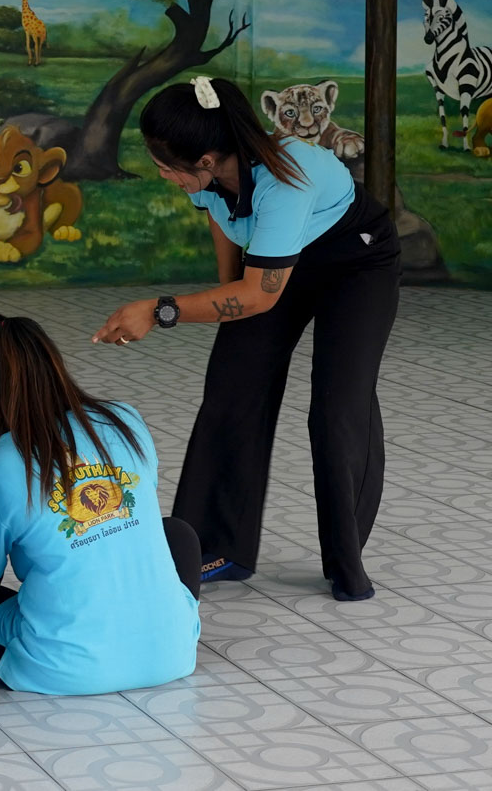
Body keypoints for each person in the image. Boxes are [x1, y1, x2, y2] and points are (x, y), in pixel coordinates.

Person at [93, 76, 401, 601]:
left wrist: (160, 310)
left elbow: (258, 296)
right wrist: (222, 307)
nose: (161, 173)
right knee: (233, 385)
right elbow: (232, 250)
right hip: (272, 263)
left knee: (336, 406)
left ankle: (345, 564)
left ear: (209, 159)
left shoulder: (289, 178)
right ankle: (215, 547)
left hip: (356, 262)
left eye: (167, 166)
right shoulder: (208, 178)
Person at [0, 314, 201, 694]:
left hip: (60, 668)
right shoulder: (125, 420)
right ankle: (148, 637)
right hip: (174, 655)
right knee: (176, 535)